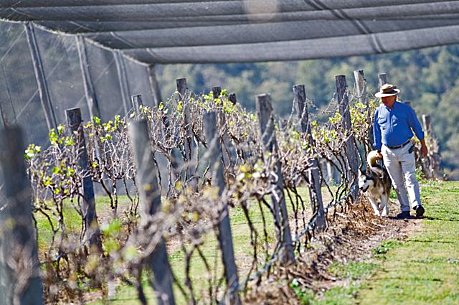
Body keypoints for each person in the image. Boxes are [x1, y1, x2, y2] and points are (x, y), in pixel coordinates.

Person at [373, 83, 428, 219]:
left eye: (386, 97)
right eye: (382, 97)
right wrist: (378, 148)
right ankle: (405, 209)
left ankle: (417, 205)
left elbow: (416, 125)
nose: (383, 100)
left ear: (394, 96)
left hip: (406, 148)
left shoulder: (406, 110)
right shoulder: (379, 111)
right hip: (387, 151)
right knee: (397, 182)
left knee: (410, 177)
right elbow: (376, 131)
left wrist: (423, 143)